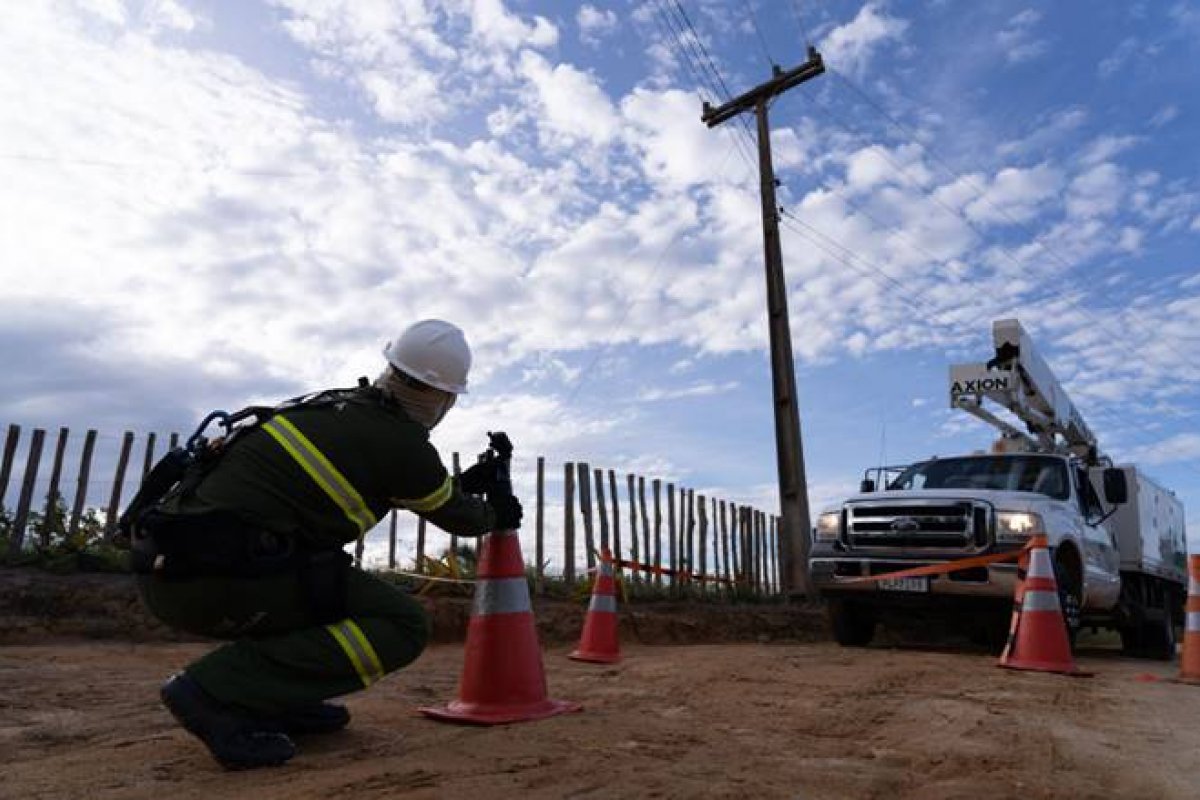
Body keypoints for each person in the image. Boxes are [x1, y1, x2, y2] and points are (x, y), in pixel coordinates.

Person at [127, 319, 522, 770]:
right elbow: (463, 519)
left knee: (318, 577)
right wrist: (499, 509)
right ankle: (213, 691)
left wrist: (461, 484)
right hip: (217, 581)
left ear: (390, 368)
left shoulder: (335, 405)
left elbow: (413, 487)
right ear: (446, 397)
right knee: (402, 622)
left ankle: (274, 697)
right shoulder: (402, 445)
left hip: (172, 567)